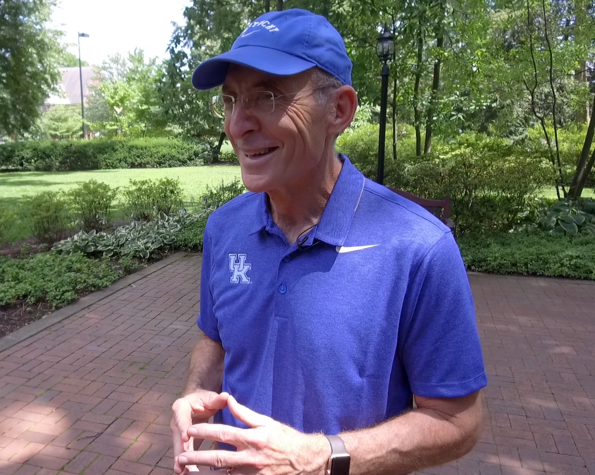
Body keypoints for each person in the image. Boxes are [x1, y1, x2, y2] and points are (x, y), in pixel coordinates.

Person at [171, 8, 487, 475]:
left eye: (268, 97)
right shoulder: (224, 228)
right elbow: (214, 340)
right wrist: (196, 390)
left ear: (338, 110)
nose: (239, 124)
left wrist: (319, 458)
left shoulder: (419, 247)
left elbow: (459, 421)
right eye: (231, 99)